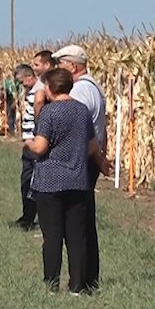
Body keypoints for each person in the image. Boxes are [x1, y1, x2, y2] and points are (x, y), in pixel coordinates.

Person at [26, 67, 112, 294]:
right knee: (76, 237)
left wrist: (29, 143)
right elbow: (92, 144)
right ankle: (77, 286)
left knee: (52, 237)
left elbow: (41, 146)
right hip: (77, 180)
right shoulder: (81, 110)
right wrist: (102, 163)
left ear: (51, 88)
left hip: (50, 182)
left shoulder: (49, 113)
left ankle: (51, 285)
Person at [53, 44, 107, 291]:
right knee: (84, 221)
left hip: (79, 161)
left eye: (61, 64)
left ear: (73, 66)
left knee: (77, 223)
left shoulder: (81, 91)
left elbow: (76, 128)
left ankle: (82, 280)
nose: (57, 69)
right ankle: (88, 279)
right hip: (87, 159)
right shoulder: (93, 87)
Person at [12, 64, 40, 230]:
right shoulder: (31, 93)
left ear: (30, 77)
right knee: (26, 181)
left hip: (35, 144)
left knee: (33, 182)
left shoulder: (40, 92)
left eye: (22, 82)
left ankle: (31, 219)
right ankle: (27, 217)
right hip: (29, 144)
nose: (22, 85)